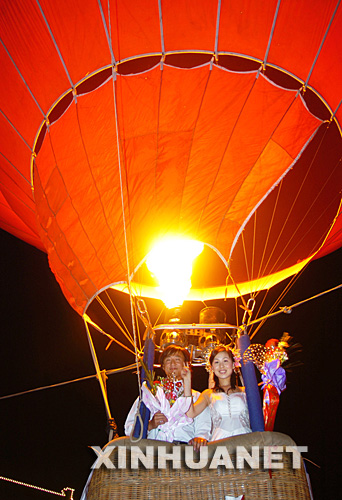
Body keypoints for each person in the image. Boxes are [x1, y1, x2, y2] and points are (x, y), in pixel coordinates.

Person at [125, 345, 211, 448]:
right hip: (155, 449)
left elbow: (204, 426)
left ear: (186, 364)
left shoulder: (196, 396)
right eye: (168, 360)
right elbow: (129, 428)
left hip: (185, 449)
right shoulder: (150, 394)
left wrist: (200, 437)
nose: (173, 364)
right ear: (163, 366)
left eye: (177, 360)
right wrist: (150, 425)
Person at [183, 345, 251, 443]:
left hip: (245, 440)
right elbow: (190, 414)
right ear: (212, 368)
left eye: (225, 361)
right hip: (219, 441)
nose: (221, 366)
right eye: (217, 362)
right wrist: (187, 381)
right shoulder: (208, 394)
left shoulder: (245, 391)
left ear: (233, 364)